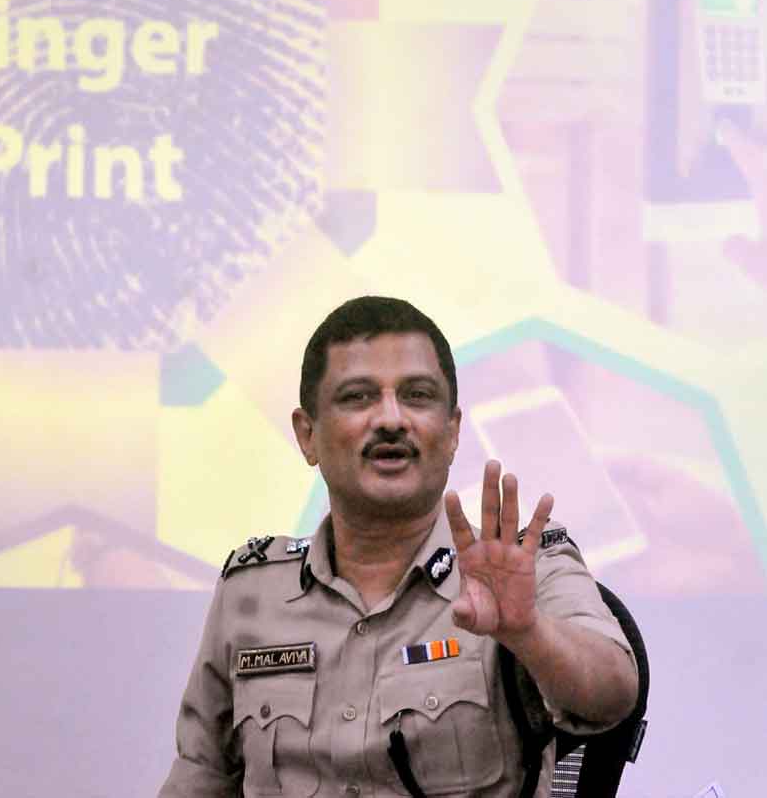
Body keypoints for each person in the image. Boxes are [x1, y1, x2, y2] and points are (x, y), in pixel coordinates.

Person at [158, 296, 638, 797]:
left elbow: (613, 694)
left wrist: (528, 631)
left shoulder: (520, 564)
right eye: (358, 397)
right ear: (308, 436)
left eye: (417, 396)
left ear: (452, 432)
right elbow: (202, 772)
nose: (390, 419)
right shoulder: (252, 589)